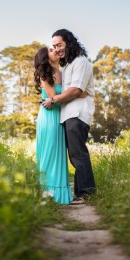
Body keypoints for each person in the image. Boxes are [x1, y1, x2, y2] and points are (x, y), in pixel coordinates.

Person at [42, 29, 96, 205]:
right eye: (54, 46)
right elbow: (71, 91)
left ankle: (86, 193)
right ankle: (80, 193)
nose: (57, 49)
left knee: (78, 154)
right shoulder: (67, 66)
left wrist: (55, 99)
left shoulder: (81, 62)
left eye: (59, 45)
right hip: (68, 114)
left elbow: (76, 90)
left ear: (69, 43)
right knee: (74, 154)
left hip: (77, 113)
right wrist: (70, 92)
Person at [34, 47, 73, 204]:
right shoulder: (45, 75)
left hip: (60, 116)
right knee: (49, 153)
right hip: (49, 117)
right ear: (46, 57)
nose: (55, 51)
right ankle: (47, 194)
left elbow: (70, 93)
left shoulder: (64, 73)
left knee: (59, 154)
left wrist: (76, 92)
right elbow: (54, 97)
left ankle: (59, 194)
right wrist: (74, 93)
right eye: (51, 50)